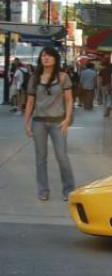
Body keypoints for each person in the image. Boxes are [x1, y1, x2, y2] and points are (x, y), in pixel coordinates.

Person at [22, 47, 75, 201]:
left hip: (58, 122)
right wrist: (26, 123)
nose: (45, 58)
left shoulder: (63, 77)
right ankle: (43, 190)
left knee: (62, 156)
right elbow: (30, 102)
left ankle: (69, 189)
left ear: (55, 59)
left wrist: (67, 119)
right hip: (38, 123)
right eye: (43, 56)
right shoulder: (34, 78)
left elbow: (69, 99)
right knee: (40, 158)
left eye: (49, 56)